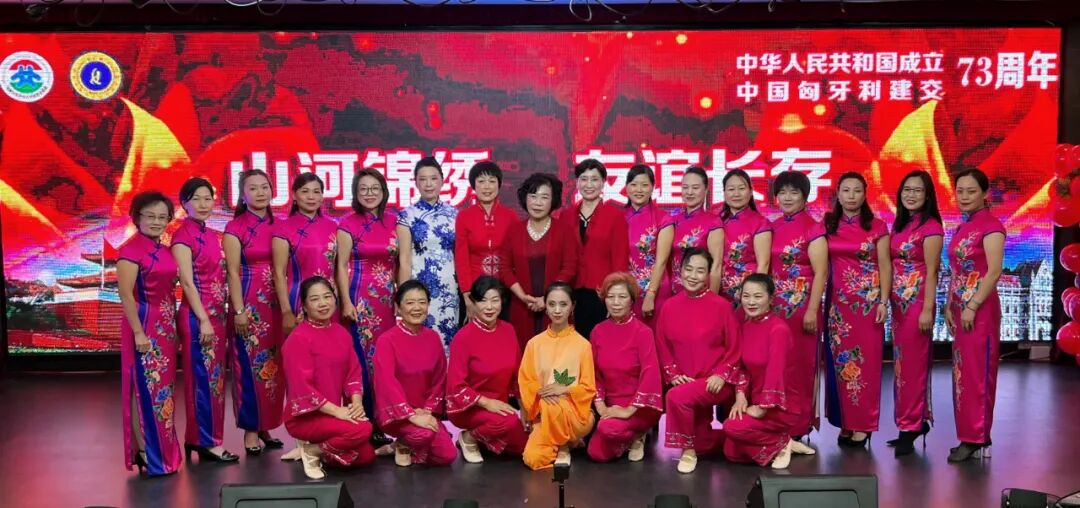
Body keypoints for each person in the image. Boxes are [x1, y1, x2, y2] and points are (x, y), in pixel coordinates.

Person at [657, 248, 742, 473]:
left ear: (708, 275)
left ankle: (687, 451)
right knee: (704, 443)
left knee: (675, 397)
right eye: (689, 269)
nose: (693, 276)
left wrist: (721, 374)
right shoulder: (669, 306)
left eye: (700, 271)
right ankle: (749, 440)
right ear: (680, 270)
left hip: (716, 382)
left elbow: (735, 346)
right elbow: (663, 345)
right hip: (685, 381)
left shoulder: (721, 306)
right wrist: (673, 374)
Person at [282, 276, 376, 479]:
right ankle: (312, 451)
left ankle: (314, 449)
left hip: (333, 414)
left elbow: (353, 373)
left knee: (366, 455)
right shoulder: (298, 339)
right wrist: (338, 412)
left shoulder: (341, 333)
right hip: (306, 416)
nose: (323, 303)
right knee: (362, 430)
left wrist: (356, 404)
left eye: (327, 296)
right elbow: (302, 388)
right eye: (315, 299)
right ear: (304, 306)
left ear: (335, 299)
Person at [823, 172, 892, 448]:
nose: (851, 196)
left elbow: (885, 265)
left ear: (865, 195)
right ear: (838, 194)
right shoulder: (828, 225)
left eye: (857, 191)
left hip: (867, 305)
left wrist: (883, 301)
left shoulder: (877, 226)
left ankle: (863, 424)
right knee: (839, 364)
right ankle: (846, 421)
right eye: (846, 190)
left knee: (866, 364)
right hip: (837, 307)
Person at [172, 178, 238, 463]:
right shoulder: (181, 236)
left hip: (217, 317)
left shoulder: (212, 234)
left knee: (214, 381)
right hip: (198, 317)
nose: (203, 204)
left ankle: (200, 439)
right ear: (184, 203)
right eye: (196, 199)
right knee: (202, 380)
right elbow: (187, 282)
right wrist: (203, 319)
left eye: (208, 198)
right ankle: (205, 441)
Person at [723, 274, 816, 469]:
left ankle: (780, 443)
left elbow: (776, 372)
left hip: (780, 407)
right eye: (746, 296)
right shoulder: (747, 327)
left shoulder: (778, 330)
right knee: (731, 452)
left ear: (771, 299)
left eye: (758, 296)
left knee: (731, 427)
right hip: (756, 401)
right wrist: (740, 395)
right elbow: (743, 368)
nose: (751, 302)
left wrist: (763, 407)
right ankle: (782, 443)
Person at [118, 191, 181, 476]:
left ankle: (161, 452)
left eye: (162, 217)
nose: (157, 222)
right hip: (143, 324)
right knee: (145, 388)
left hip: (165, 325)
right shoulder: (130, 250)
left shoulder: (164, 249)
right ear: (137, 218)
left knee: (162, 391)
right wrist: (138, 333)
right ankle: (147, 452)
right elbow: (126, 296)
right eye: (150, 216)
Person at [336, 168, 400, 450]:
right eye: (363, 189)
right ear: (355, 193)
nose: (369, 193)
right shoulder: (347, 224)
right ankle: (362, 422)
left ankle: (383, 422)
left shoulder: (394, 222)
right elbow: (340, 266)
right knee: (360, 362)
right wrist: (346, 301)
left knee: (383, 362)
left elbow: (400, 264)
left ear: (384, 191)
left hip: (386, 301)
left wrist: (401, 297)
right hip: (359, 299)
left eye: (375, 188)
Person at [945, 168, 1005, 463]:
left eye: (971, 191)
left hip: (980, 312)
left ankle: (976, 437)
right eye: (960, 191)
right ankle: (970, 434)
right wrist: (949, 303)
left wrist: (972, 305)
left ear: (984, 193)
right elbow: (957, 270)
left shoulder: (992, 226)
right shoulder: (962, 227)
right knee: (963, 374)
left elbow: (993, 272)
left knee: (978, 374)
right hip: (961, 310)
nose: (965, 196)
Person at [224, 169, 285, 455]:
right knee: (249, 367)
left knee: (274, 368)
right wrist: (238, 310)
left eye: (265, 187)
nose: (260, 193)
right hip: (249, 303)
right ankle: (250, 430)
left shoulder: (281, 225)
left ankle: (266, 426)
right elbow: (232, 272)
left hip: (277, 304)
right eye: (253, 188)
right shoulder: (234, 228)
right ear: (241, 194)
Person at [887, 170, 943, 457]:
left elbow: (932, 271)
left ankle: (911, 426)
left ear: (927, 195)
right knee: (902, 366)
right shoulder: (900, 225)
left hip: (918, 304)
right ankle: (912, 422)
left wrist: (927, 309)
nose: (911, 195)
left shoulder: (931, 227)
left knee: (913, 367)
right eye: (906, 190)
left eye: (917, 190)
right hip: (899, 307)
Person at [768, 171, 828, 440]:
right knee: (779, 364)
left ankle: (800, 424)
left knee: (802, 366)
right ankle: (779, 421)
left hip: (803, 308)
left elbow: (821, 272)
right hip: (775, 308)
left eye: (794, 192)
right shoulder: (773, 226)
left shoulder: (813, 228)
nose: (787, 198)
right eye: (782, 192)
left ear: (805, 196)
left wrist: (813, 309)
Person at [373, 280, 457, 467]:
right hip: (397, 414)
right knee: (423, 434)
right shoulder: (387, 340)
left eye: (422, 302)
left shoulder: (433, 337)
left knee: (447, 455)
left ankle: (399, 446)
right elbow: (386, 383)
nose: (417, 308)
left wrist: (427, 411)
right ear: (398, 308)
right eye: (410, 303)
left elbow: (439, 378)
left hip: (425, 411)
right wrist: (411, 414)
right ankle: (404, 443)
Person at [446, 276, 528, 463]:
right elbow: (456, 387)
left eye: (495, 300)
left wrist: (524, 410)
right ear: (473, 303)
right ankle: (469, 437)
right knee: (508, 422)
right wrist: (487, 403)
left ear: (502, 302)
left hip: (500, 408)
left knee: (525, 446)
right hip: (469, 408)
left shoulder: (509, 330)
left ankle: (485, 438)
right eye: (483, 301)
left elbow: (518, 376)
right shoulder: (463, 338)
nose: (489, 307)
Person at [518, 282, 596, 470]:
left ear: (572, 307)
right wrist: (543, 392)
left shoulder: (583, 345)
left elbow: (588, 388)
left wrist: (565, 390)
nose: (557, 310)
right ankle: (567, 442)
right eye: (552, 304)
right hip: (544, 413)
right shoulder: (534, 344)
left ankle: (563, 446)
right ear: (545, 306)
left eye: (563, 304)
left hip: (576, 415)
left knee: (552, 405)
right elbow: (526, 381)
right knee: (533, 459)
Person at [587, 272, 662, 463]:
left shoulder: (643, 332)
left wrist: (629, 410)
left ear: (632, 300)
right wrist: (601, 406)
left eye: (622, 297)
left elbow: (650, 374)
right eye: (610, 297)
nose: (616, 302)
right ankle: (630, 437)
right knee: (596, 453)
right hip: (611, 406)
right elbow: (593, 373)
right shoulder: (598, 331)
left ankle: (639, 433)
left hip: (639, 407)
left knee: (607, 429)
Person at [500, 173, 578, 349]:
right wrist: (522, 297)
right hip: (522, 305)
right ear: (525, 198)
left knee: (557, 353)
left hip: (556, 306)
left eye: (544, 197)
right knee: (524, 351)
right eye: (533, 196)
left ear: (553, 200)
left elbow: (570, 267)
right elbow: (504, 268)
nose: (537, 202)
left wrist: (548, 299)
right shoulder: (514, 230)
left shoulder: (564, 230)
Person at [558, 159, 630, 338]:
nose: (588, 185)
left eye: (594, 179)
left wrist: (613, 295)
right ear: (577, 182)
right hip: (572, 290)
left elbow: (620, 259)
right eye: (584, 179)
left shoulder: (615, 216)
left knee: (600, 340)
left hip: (601, 292)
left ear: (603, 183)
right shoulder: (566, 215)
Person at [397, 157, 460, 348]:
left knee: (447, 340)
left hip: (449, 287)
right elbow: (404, 259)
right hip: (419, 286)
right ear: (416, 183)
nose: (428, 184)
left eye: (433, 178)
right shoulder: (407, 215)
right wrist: (403, 295)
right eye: (422, 179)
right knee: (418, 339)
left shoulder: (455, 214)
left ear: (442, 180)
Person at [272, 173, 338, 338]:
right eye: (305, 191)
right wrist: (286, 311)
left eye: (316, 192)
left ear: (322, 196)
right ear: (294, 195)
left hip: (330, 301)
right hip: (298, 299)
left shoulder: (333, 226)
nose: (311, 197)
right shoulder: (283, 228)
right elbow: (279, 273)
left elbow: (339, 268)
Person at [455, 161, 517, 321]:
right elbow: (461, 258)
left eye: (492, 181)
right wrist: (467, 295)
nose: (487, 187)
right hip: (475, 290)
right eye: (481, 181)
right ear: (473, 186)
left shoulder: (510, 216)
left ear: (499, 185)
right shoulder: (464, 216)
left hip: (504, 289)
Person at [623, 164, 674, 326]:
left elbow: (661, 261)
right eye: (634, 184)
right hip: (625, 292)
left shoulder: (663, 218)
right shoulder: (618, 217)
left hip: (655, 291)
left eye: (645, 185)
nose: (639, 190)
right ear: (626, 187)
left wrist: (651, 294)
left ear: (653, 188)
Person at [718, 169, 771, 305]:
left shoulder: (760, 223)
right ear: (724, 193)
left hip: (748, 294)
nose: (736, 194)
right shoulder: (716, 221)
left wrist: (755, 296)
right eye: (731, 189)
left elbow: (763, 265)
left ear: (751, 191)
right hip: (718, 290)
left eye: (741, 188)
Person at [668, 166, 724, 294]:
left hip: (700, 291)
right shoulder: (672, 220)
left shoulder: (713, 222)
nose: (689, 192)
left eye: (695, 187)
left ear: (706, 190)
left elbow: (716, 267)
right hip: (674, 291)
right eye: (685, 187)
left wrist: (712, 299)